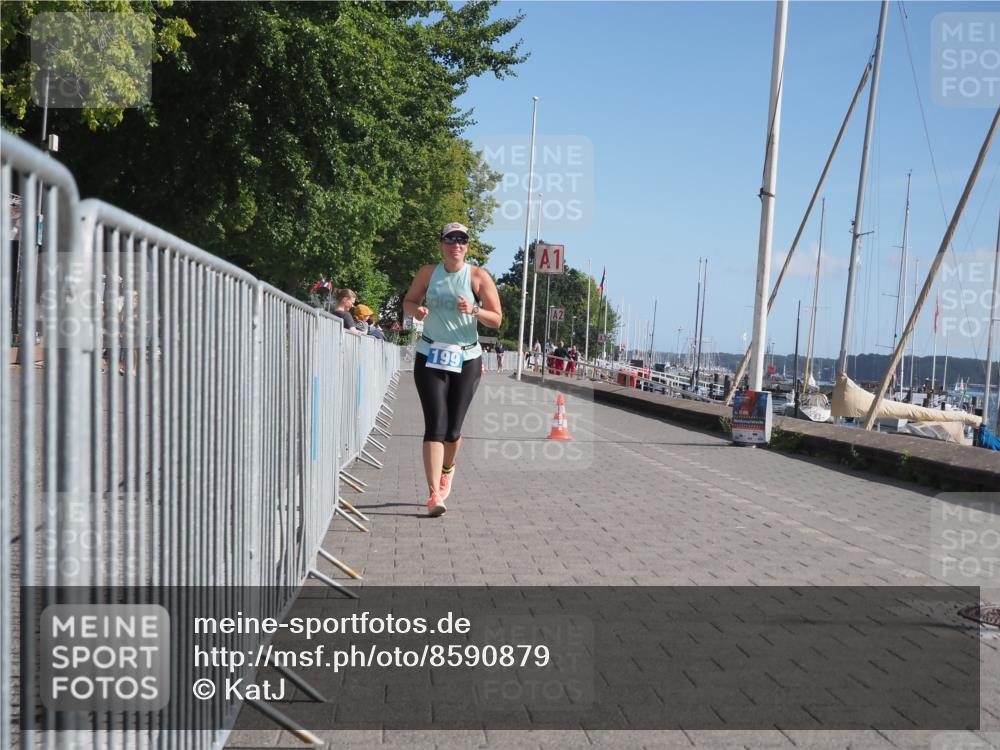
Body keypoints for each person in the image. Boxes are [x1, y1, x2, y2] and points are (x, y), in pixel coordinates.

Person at [403, 222, 502, 517]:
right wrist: (416, 310)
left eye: (461, 240)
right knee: (435, 424)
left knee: (453, 429)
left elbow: (496, 319)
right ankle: (434, 495)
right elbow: (408, 301)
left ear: (467, 246)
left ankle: (448, 468)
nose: (455, 244)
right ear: (441, 244)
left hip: (467, 358)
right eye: (450, 239)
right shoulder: (427, 273)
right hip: (430, 353)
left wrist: (473, 309)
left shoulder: (478, 276)